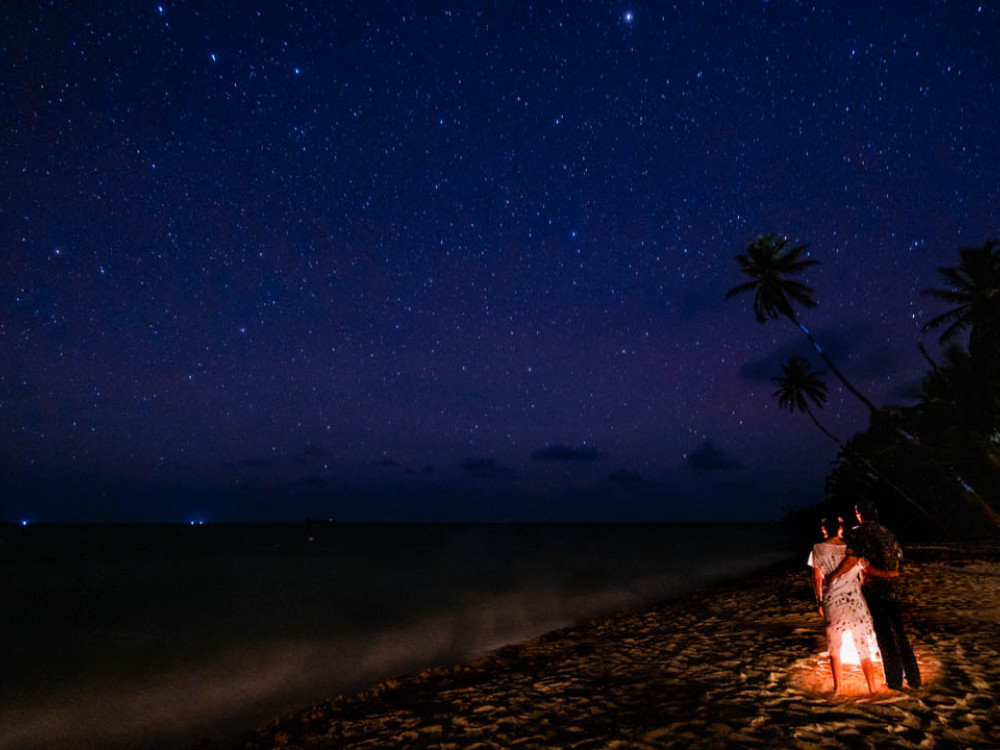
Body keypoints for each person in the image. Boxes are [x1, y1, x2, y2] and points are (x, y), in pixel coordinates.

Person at [832, 498, 921, 691]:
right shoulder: (888, 533)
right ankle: (914, 679)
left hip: (875, 590)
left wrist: (834, 575)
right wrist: (890, 574)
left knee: (884, 635)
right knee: (900, 633)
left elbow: (851, 557)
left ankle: (895, 681)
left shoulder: (859, 533)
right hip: (894, 588)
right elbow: (898, 561)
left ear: (859, 514)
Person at [806, 516, 880, 694]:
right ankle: (872, 688)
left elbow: (817, 577)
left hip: (833, 600)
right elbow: (865, 571)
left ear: (824, 529)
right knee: (862, 645)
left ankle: (838, 688)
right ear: (840, 528)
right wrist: (861, 584)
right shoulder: (852, 547)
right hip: (855, 600)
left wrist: (819, 600)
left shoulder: (817, 549)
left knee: (835, 646)